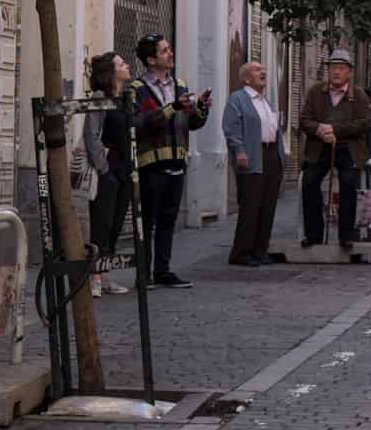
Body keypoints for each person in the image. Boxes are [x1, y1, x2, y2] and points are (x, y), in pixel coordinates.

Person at [130, 34, 211, 289]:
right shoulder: (137, 88)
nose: (171, 54)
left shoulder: (180, 84)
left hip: (177, 162)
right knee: (149, 222)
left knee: (168, 220)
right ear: (151, 59)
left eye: (169, 50)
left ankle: (163, 271)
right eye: (165, 51)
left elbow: (191, 124)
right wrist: (172, 107)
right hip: (151, 165)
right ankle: (143, 275)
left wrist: (201, 109)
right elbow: (139, 124)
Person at [301, 48, 371, 250]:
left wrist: (335, 130)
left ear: (349, 72)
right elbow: (305, 120)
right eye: (333, 67)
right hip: (319, 148)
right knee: (309, 181)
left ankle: (346, 236)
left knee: (348, 183)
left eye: (341, 68)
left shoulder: (359, 95)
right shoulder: (316, 92)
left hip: (348, 148)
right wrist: (321, 131)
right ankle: (313, 233)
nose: (336, 72)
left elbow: (362, 123)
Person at [223, 61, 287, 268]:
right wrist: (240, 151)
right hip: (252, 156)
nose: (263, 72)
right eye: (257, 70)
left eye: (263, 69)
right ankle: (241, 253)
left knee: (268, 206)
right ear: (246, 78)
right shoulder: (238, 99)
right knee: (251, 206)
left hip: (271, 155)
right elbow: (231, 129)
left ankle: (260, 251)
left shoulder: (265, 101)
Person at [82, 51, 135, 296]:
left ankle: (105, 276)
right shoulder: (99, 98)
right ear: (110, 72)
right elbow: (91, 135)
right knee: (101, 224)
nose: (127, 65)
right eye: (121, 63)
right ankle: (94, 277)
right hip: (107, 168)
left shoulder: (125, 98)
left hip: (124, 169)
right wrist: (103, 169)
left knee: (115, 225)